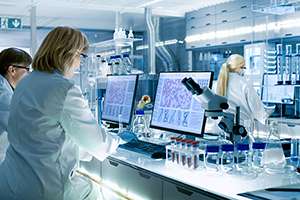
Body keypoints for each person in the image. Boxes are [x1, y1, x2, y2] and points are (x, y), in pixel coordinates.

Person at [0, 27, 129, 200]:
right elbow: (97, 144)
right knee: (95, 192)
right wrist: (121, 139)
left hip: (11, 182)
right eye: (80, 56)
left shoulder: (26, 82)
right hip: (42, 187)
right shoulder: (62, 88)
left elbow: (44, 133)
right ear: (69, 54)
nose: (79, 64)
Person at [216, 54, 268, 131]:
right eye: (244, 68)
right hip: (242, 130)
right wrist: (266, 118)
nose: (244, 70)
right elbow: (257, 109)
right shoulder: (244, 83)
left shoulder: (218, 83)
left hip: (223, 128)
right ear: (240, 68)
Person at [0, 48, 32, 163]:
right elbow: (19, 127)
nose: (29, 75)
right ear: (12, 70)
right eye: (27, 69)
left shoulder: (5, 88)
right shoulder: (2, 93)